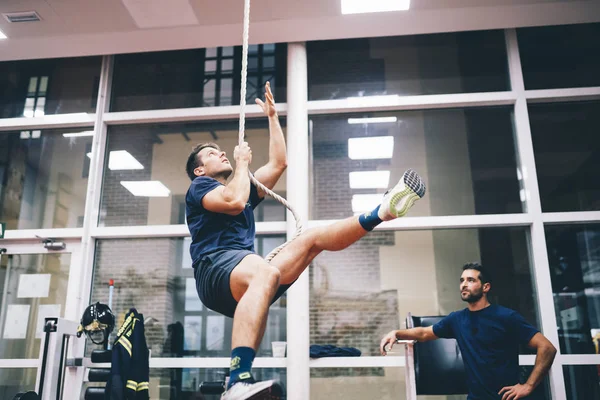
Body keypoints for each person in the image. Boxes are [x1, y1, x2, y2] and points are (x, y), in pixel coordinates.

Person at [186, 82, 426, 400]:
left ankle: (381, 212)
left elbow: (278, 164)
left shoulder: (241, 189)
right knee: (265, 271)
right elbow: (232, 200)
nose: (220, 152)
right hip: (214, 270)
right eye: (212, 153)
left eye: (220, 150)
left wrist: (272, 117)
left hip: (243, 279)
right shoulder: (200, 187)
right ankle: (237, 381)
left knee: (311, 240)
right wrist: (241, 163)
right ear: (200, 169)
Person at [380, 262, 557, 400]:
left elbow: (547, 348)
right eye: (462, 280)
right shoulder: (457, 319)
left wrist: (528, 386)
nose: (464, 284)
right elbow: (424, 333)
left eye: (471, 280)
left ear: (485, 287)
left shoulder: (506, 317)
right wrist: (396, 333)